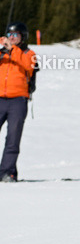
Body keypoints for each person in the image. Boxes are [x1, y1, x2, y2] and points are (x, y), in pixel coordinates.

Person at [0, 22, 36, 182]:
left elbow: (28, 65)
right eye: (10, 35)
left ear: (22, 37)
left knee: (12, 139)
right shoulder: (2, 54)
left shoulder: (28, 53)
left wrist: (12, 49)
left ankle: (7, 172)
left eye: (16, 35)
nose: (12, 38)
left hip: (18, 100)